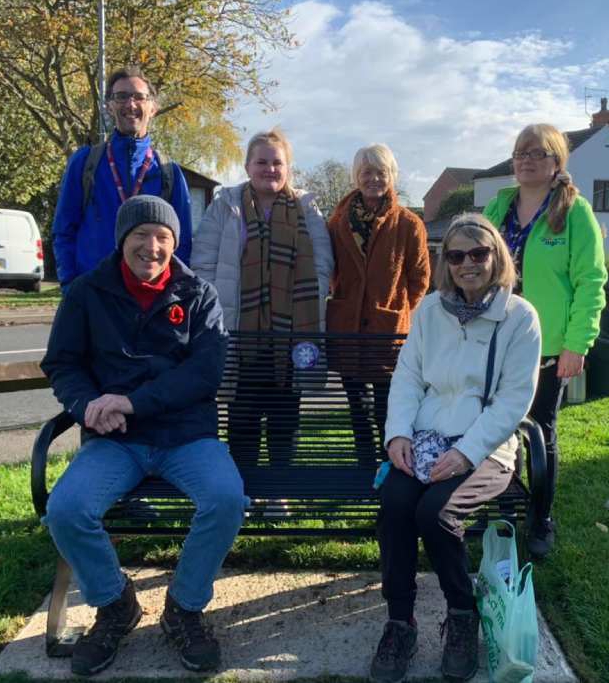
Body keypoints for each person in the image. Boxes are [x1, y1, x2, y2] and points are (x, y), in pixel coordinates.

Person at [41, 196, 243, 677]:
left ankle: (185, 608)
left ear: (174, 244)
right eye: (141, 236)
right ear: (122, 240)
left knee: (226, 498)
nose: (151, 247)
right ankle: (115, 604)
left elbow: (204, 373)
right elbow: (62, 364)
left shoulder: (198, 295)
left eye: (163, 238)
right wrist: (87, 404)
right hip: (115, 441)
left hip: (185, 435)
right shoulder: (88, 292)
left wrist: (131, 402)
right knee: (65, 510)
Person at [371, 213, 541, 683]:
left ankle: (462, 617)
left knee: (436, 514)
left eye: (479, 253)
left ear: (496, 257)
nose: (468, 264)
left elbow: (513, 401)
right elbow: (406, 377)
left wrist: (467, 452)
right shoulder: (429, 311)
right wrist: (398, 434)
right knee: (395, 505)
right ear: (446, 262)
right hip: (424, 441)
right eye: (457, 255)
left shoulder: (519, 318)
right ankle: (399, 623)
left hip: (486, 448)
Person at [483, 123, 607, 558]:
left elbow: (591, 282)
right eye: (520, 153)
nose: (526, 160)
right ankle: (501, 506)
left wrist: (578, 344)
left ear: (557, 162)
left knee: (539, 431)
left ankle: (540, 519)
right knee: (494, 426)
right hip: (493, 339)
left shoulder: (574, 213)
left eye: (537, 153)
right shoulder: (497, 208)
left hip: (548, 344)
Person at [190, 128, 333, 472]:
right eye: (262, 162)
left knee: (286, 413)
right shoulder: (225, 206)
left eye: (277, 162)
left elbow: (321, 266)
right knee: (243, 413)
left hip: (291, 334)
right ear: (248, 165)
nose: (269, 169)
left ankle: (279, 490)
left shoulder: (306, 208)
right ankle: (247, 486)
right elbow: (203, 264)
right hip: (240, 330)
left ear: (288, 168)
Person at [327, 143, 430, 464]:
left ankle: (391, 464)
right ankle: (364, 465)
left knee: (389, 406)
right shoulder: (337, 223)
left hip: (389, 334)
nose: (373, 179)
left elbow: (420, 279)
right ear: (356, 177)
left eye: (380, 172)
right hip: (347, 330)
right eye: (366, 172)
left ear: (392, 176)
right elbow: (330, 271)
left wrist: (399, 311)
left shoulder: (409, 223)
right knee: (356, 405)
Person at [52, 66, 193, 290]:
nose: (130, 104)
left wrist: (172, 292)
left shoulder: (169, 171)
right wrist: (71, 286)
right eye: (121, 97)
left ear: (153, 107)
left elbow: (182, 241)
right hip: (94, 293)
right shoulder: (85, 163)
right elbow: (64, 231)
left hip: (150, 298)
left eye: (139, 97)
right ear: (109, 106)